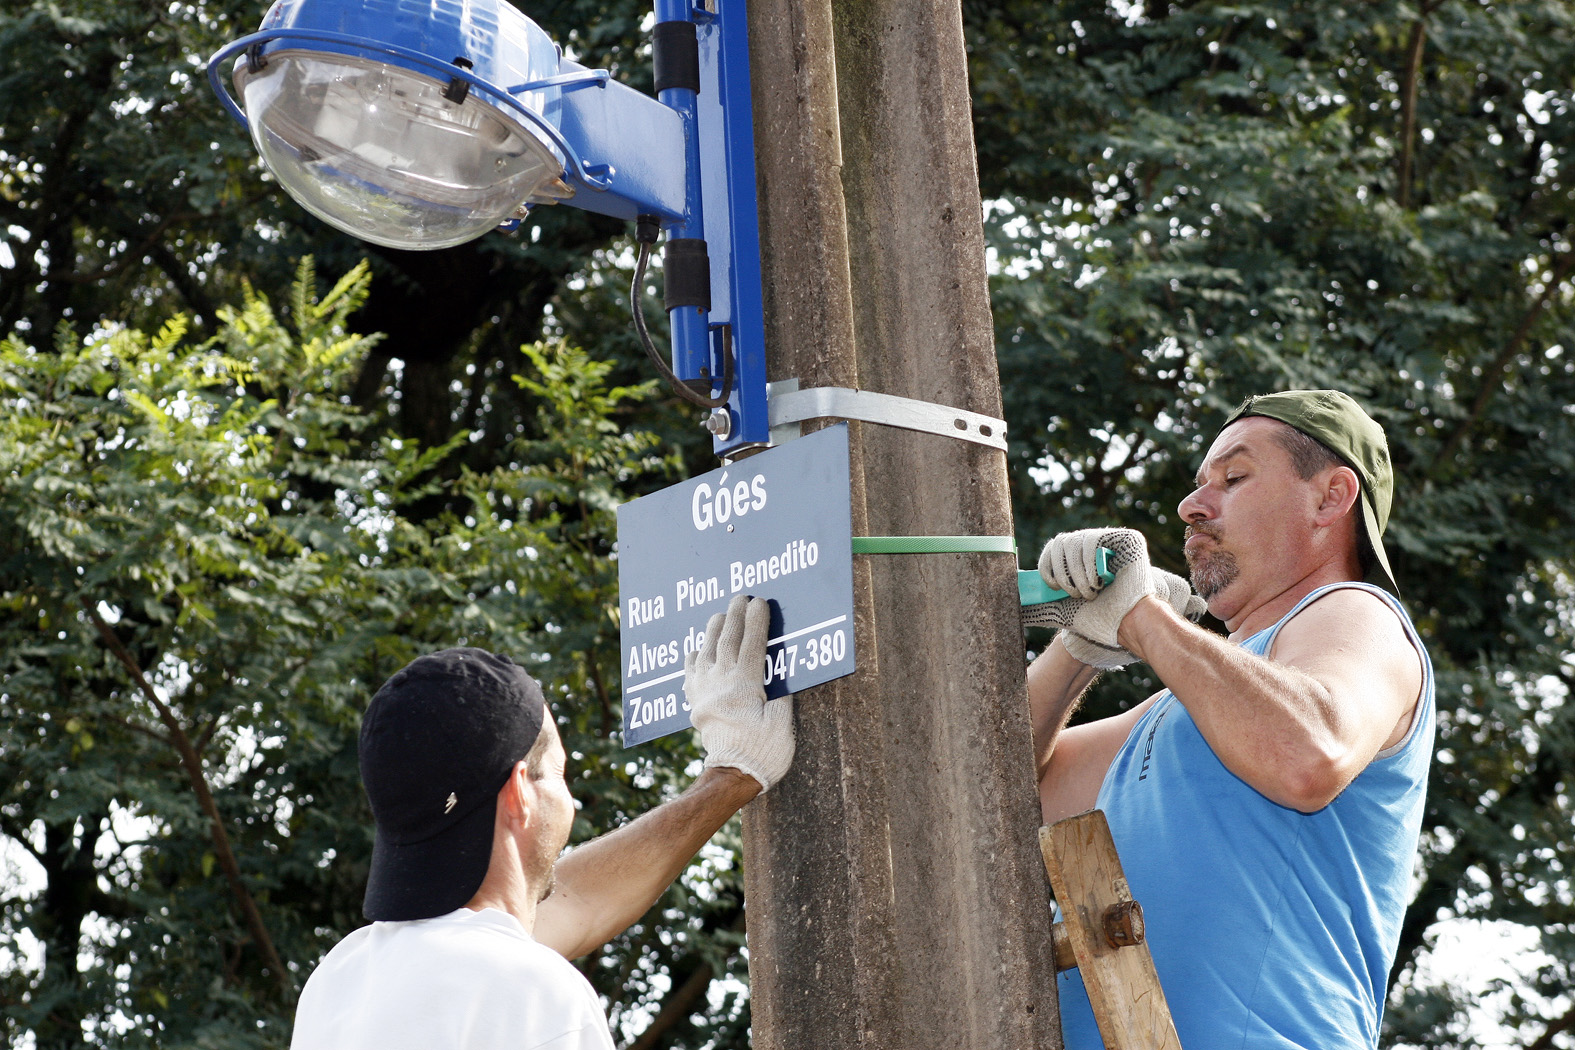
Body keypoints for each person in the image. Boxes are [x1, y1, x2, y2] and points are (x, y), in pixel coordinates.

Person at [1029, 390, 1435, 1049]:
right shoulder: (1180, 711)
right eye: (1197, 485)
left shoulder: (1358, 615)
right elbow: (994, 799)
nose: (1193, 505)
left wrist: (1139, 615)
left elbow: (1308, 752)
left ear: (1330, 498)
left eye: (1233, 478)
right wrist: (1080, 647)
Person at [291, 594, 788, 1050]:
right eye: (558, 774)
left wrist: (731, 776)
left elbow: (578, 900)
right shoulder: (539, 999)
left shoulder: (341, 981)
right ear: (519, 791)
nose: (571, 803)